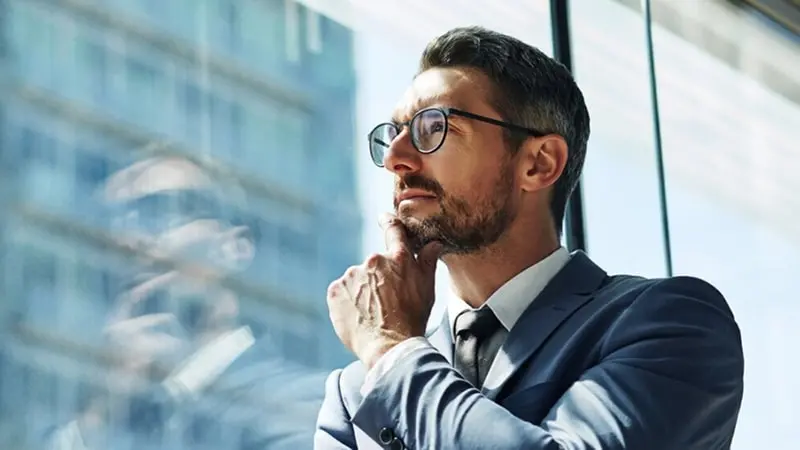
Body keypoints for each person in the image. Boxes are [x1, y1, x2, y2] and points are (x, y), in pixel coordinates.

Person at [315, 26, 744, 450]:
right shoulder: (354, 395)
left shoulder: (672, 324)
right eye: (394, 134)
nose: (395, 158)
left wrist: (393, 352)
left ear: (539, 163)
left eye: (434, 127)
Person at [44, 152, 327, 450]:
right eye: (111, 225)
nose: (126, 240)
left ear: (235, 248)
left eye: (157, 210)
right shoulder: (109, 418)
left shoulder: (301, 404)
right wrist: (100, 419)